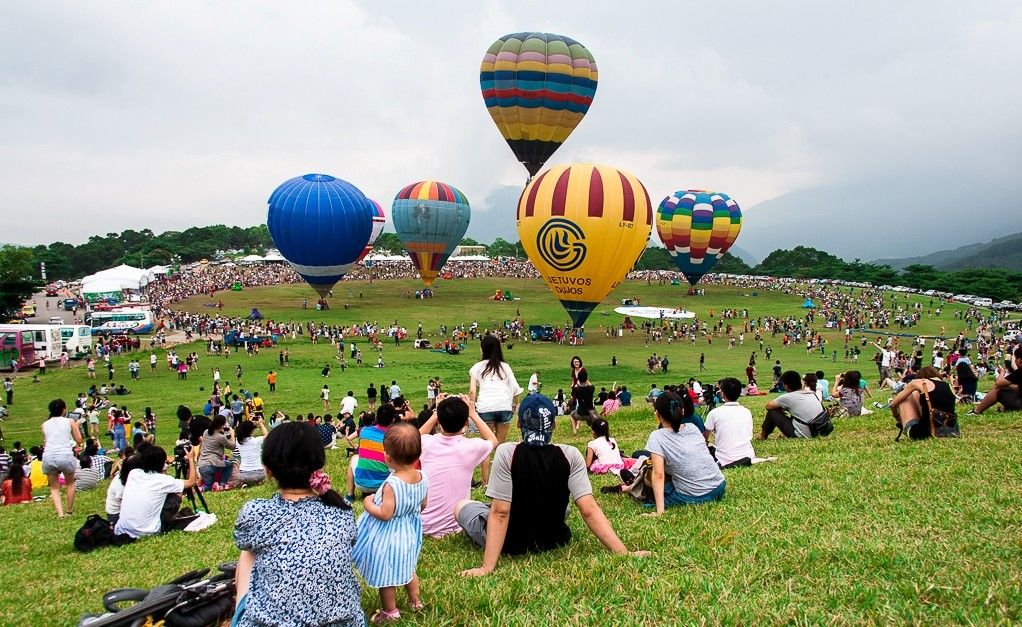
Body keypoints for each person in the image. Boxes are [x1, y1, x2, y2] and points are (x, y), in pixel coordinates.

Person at [455, 394, 647, 577]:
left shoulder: (507, 453)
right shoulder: (571, 455)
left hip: (510, 542)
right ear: (553, 424)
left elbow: (501, 513)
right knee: (566, 508)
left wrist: (487, 567)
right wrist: (624, 553)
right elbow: (588, 509)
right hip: (553, 539)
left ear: (519, 423)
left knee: (462, 506)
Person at [232, 422, 363, 627]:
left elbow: (244, 542)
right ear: (319, 464)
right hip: (346, 622)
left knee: (248, 551)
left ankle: (242, 612)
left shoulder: (256, 512)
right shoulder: (342, 510)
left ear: (268, 470)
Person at [353, 422, 427, 622]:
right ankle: (415, 602)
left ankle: (390, 612)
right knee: (408, 567)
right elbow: (423, 505)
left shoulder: (392, 484)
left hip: (389, 537)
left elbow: (385, 514)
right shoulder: (423, 477)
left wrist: (368, 503)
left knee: (387, 575)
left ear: (388, 457)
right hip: (409, 533)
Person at [417, 395, 498, 537]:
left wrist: (436, 413)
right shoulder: (471, 447)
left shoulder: (425, 442)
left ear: (438, 421)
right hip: (456, 523)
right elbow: (493, 440)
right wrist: (473, 413)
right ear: (466, 422)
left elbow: (413, 438)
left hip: (423, 523)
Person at [643, 390, 726, 514]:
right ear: (682, 411)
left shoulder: (657, 436)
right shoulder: (693, 428)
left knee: (648, 478)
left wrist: (659, 512)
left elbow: (658, 475)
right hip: (719, 486)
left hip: (695, 496)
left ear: (657, 414)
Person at [115, 444, 200, 538]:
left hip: (123, 529)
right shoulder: (163, 480)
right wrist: (191, 459)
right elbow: (192, 482)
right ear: (162, 464)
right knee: (178, 491)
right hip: (148, 531)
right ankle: (165, 521)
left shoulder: (133, 473)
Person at [468, 334, 523, 444]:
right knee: (500, 444)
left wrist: (472, 408)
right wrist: (516, 404)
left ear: (483, 349)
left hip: (485, 407)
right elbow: (515, 388)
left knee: (487, 445)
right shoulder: (505, 366)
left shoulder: (477, 367)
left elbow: (472, 391)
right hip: (504, 406)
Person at [41, 398, 84, 518]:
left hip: (49, 455)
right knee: (70, 483)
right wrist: (77, 425)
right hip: (64, 455)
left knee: (54, 487)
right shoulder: (70, 421)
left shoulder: (44, 424)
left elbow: (46, 440)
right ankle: (69, 510)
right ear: (63, 409)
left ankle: (60, 514)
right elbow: (79, 439)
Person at [890, 366, 957, 440]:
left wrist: (896, 416)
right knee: (918, 395)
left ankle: (904, 425)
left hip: (924, 432)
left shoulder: (919, 382)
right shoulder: (949, 386)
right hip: (950, 431)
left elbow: (893, 404)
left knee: (905, 398)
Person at [348, 404, 398, 500]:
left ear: (376, 418)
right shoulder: (393, 436)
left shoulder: (363, 431)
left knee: (353, 459)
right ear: (393, 420)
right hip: (385, 485)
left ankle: (350, 495)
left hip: (361, 484)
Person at [704, 378, 756, 468]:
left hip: (723, 458)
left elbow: (704, 437)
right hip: (748, 455)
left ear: (722, 393)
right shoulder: (746, 411)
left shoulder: (714, 413)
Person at [761, 371, 826, 439]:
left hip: (803, 434)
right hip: (819, 430)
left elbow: (768, 406)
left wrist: (780, 408)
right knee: (797, 413)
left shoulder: (788, 397)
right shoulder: (812, 393)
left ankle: (763, 436)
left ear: (786, 386)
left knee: (772, 412)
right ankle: (783, 435)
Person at [972, 347, 1022, 414]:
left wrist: (1002, 372)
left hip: (1019, 404)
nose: (1015, 361)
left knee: (998, 389)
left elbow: (998, 384)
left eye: (1015, 359)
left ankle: (976, 411)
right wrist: (1010, 386)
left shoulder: (1019, 372)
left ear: (1020, 360)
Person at [197, 415, 237, 491]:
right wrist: (232, 434)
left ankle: (200, 489)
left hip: (202, 466)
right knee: (229, 465)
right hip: (212, 464)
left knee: (208, 487)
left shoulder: (206, 432)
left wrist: (221, 431)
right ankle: (223, 484)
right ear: (222, 425)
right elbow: (233, 446)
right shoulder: (220, 437)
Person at [232, 419, 269, 488]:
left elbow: (242, 428)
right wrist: (261, 423)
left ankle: (245, 483)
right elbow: (267, 435)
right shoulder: (256, 440)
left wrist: (249, 420)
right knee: (265, 466)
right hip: (258, 475)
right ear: (252, 431)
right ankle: (258, 482)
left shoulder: (238, 441)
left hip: (242, 476)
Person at [569, 368, 597, 434]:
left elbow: (574, 389)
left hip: (581, 413)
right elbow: (590, 384)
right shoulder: (591, 388)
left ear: (579, 379)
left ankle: (574, 430)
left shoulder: (576, 389)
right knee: (591, 422)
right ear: (586, 378)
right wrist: (586, 379)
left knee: (572, 415)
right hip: (591, 413)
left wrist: (577, 381)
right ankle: (593, 430)